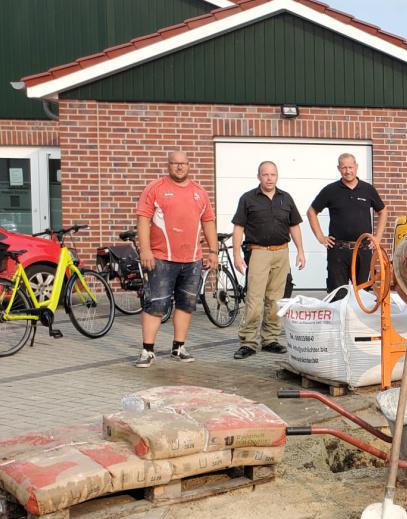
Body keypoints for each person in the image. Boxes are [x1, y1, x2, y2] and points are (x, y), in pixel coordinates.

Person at [134, 150, 217, 367]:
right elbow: (143, 220)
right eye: (174, 163)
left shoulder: (200, 192)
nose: (179, 167)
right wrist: (145, 250)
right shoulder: (155, 188)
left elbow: (208, 222)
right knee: (157, 304)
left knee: (186, 304)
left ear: (189, 165)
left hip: (192, 260)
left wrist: (213, 251)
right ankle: (147, 350)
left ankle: (178, 347)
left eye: (183, 163)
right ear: (168, 165)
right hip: (162, 258)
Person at [230, 161, 307, 359]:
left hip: (282, 252)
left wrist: (300, 250)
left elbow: (294, 226)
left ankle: (270, 339)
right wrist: (237, 254)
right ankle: (248, 342)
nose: (269, 178)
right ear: (259, 177)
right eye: (265, 174)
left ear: (277, 176)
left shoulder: (286, 198)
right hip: (258, 253)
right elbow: (238, 227)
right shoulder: (248, 199)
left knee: (275, 300)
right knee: (254, 300)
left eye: (273, 174)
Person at [306, 153, 386, 295]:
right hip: (338, 250)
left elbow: (383, 211)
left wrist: (377, 238)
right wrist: (320, 237)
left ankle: (360, 318)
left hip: (363, 249)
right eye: (344, 167)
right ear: (339, 168)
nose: (348, 171)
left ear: (356, 167)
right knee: (337, 293)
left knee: (364, 293)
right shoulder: (331, 190)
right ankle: (339, 317)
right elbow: (311, 212)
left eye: (350, 167)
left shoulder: (368, 189)